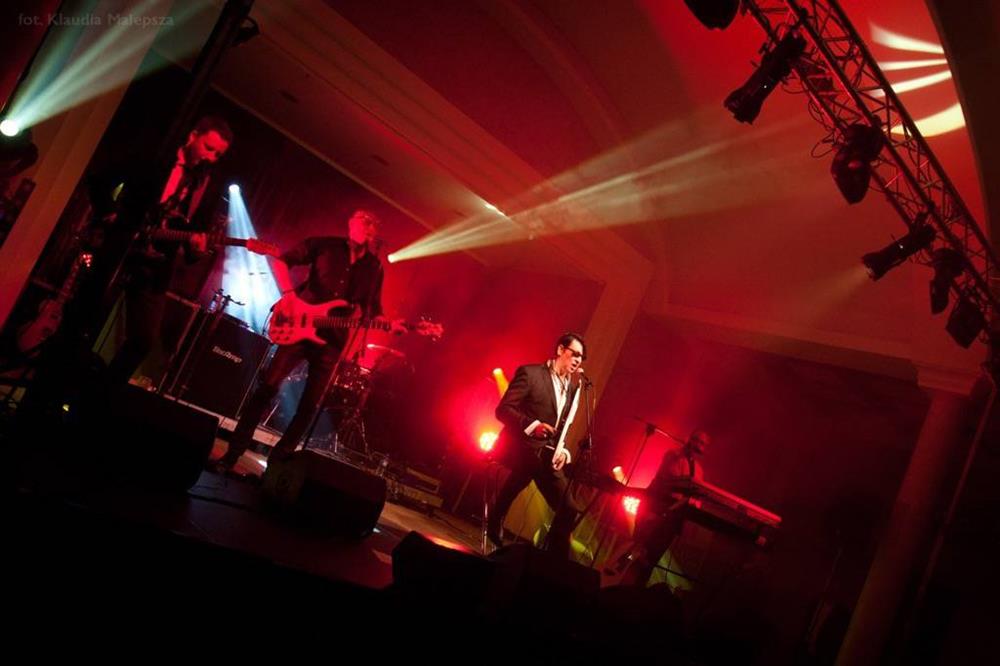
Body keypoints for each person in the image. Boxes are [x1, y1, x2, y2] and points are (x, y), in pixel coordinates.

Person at [210, 208, 403, 474]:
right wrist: (289, 295)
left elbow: (372, 309)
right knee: (267, 388)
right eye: (363, 221)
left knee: (310, 405)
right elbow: (282, 260)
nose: (368, 227)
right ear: (351, 225)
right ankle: (232, 455)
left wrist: (391, 324)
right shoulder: (324, 245)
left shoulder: (374, 267)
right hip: (298, 326)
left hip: (333, 339)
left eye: (373, 224)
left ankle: (276, 468)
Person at [99, 115, 235, 386]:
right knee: (89, 317)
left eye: (218, 155)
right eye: (209, 148)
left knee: (143, 340)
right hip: (122, 248)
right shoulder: (158, 157)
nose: (211, 157)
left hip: (156, 266)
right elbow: (102, 178)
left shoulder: (205, 184)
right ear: (193, 135)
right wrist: (110, 214)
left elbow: (195, 235)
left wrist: (198, 248)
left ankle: (101, 393)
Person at [488, 332, 588, 559]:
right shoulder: (531, 373)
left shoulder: (573, 389)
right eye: (575, 354)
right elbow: (503, 410)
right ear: (560, 350)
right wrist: (533, 426)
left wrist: (564, 451)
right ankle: (498, 514)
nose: (577, 360)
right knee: (528, 465)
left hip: (546, 456)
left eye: (581, 357)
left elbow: (562, 427)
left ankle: (550, 560)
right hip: (523, 447)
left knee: (569, 509)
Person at [615, 429, 711, 587]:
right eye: (696, 440)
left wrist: (697, 500)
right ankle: (617, 581)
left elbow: (696, 496)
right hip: (655, 509)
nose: (698, 445)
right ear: (689, 439)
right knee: (637, 549)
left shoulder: (699, 470)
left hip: (672, 519)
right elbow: (668, 480)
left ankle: (635, 588)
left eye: (702, 443)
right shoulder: (673, 456)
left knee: (652, 558)